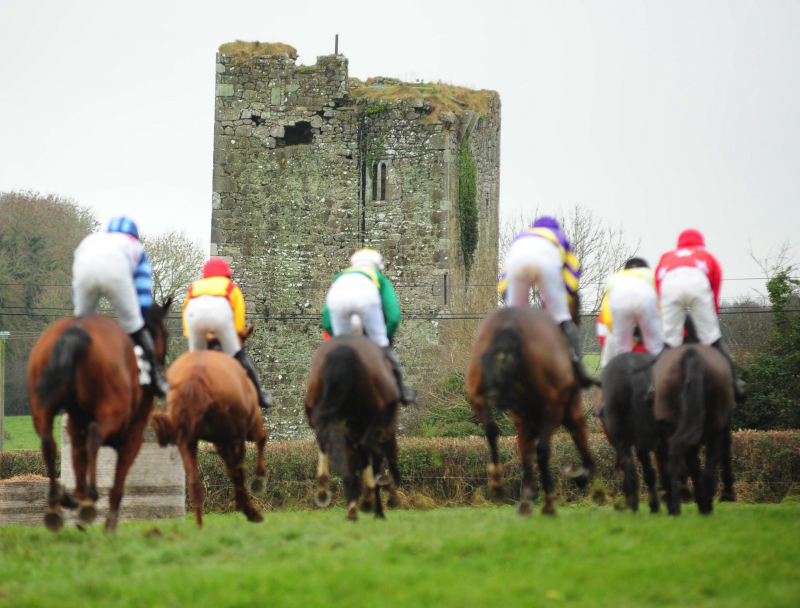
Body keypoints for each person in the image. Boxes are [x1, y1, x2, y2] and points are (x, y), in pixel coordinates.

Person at [72, 216, 170, 397]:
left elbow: (78, 270)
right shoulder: (134, 245)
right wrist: (140, 315)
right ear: (134, 235)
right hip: (115, 273)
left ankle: (74, 373)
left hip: (84, 270)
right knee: (136, 326)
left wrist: (78, 306)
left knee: (82, 326)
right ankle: (156, 377)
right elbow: (141, 286)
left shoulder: (91, 240)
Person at [498, 216, 597, 388]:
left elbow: (505, 276)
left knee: (514, 319)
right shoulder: (559, 238)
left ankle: (506, 361)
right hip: (546, 264)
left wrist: (509, 299)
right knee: (562, 317)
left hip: (516, 265)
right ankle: (576, 364)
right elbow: (573, 273)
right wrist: (564, 299)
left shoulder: (521, 238)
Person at [655, 229, 747, 403]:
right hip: (698, 283)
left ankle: (653, 387)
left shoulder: (667, 256)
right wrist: (713, 317)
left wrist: (668, 319)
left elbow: (658, 282)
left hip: (669, 287)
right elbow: (715, 286)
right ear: (700, 244)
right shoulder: (706, 255)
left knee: (669, 342)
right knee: (712, 338)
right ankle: (735, 383)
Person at [322, 248, 416, 404]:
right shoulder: (378, 278)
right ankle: (402, 390)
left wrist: (337, 340)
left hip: (337, 300)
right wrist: (385, 340)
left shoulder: (339, 278)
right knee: (382, 343)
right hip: (367, 299)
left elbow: (326, 321)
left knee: (339, 350)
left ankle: (326, 396)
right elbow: (393, 317)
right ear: (377, 265)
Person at [182, 257, 273, 410]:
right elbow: (238, 318)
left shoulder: (194, 287)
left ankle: (184, 394)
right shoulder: (230, 287)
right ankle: (260, 395)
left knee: (193, 362)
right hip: (221, 317)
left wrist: (193, 335)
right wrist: (235, 333)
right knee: (239, 354)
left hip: (194, 319)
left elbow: (186, 312)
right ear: (226, 275)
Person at [596, 257, 663, 367]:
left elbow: (606, 317)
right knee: (656, 348)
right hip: (645, 298)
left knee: (619, 353)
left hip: (617, 303)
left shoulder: (614, 277)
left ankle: (605, 378)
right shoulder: (651, 275)